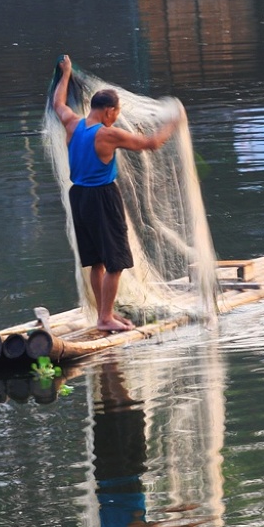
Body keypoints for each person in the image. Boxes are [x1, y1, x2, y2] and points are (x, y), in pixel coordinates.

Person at [51, 54, 180, 332]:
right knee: (115, 262)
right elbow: (152, 143)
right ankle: (106, 317)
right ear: (108, 110)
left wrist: (65, 75)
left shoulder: (73, 124)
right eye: (116, 113)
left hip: (80, 198)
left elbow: (57, 103)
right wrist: (174, 122)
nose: (117, 118)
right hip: (101, 197)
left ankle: (103, 314)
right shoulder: (106, 134)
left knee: (96, 262)